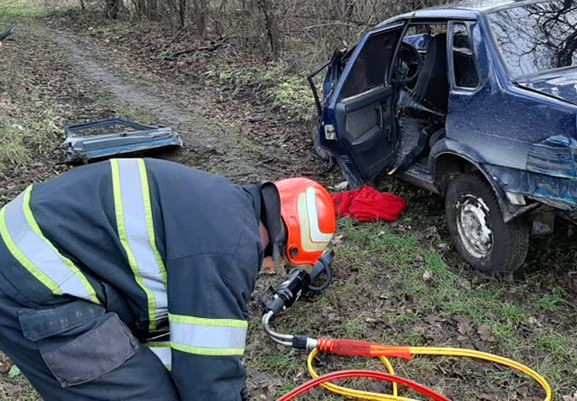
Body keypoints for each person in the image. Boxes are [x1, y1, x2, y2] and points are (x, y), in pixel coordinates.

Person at [0, 158, 336, 400]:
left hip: (26, 256)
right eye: (279, 259)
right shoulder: (231, 248)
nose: (269, 269)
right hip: (36, 280)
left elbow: (170, 340)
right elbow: (207, 375)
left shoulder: (219, 205)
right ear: (282, 240)